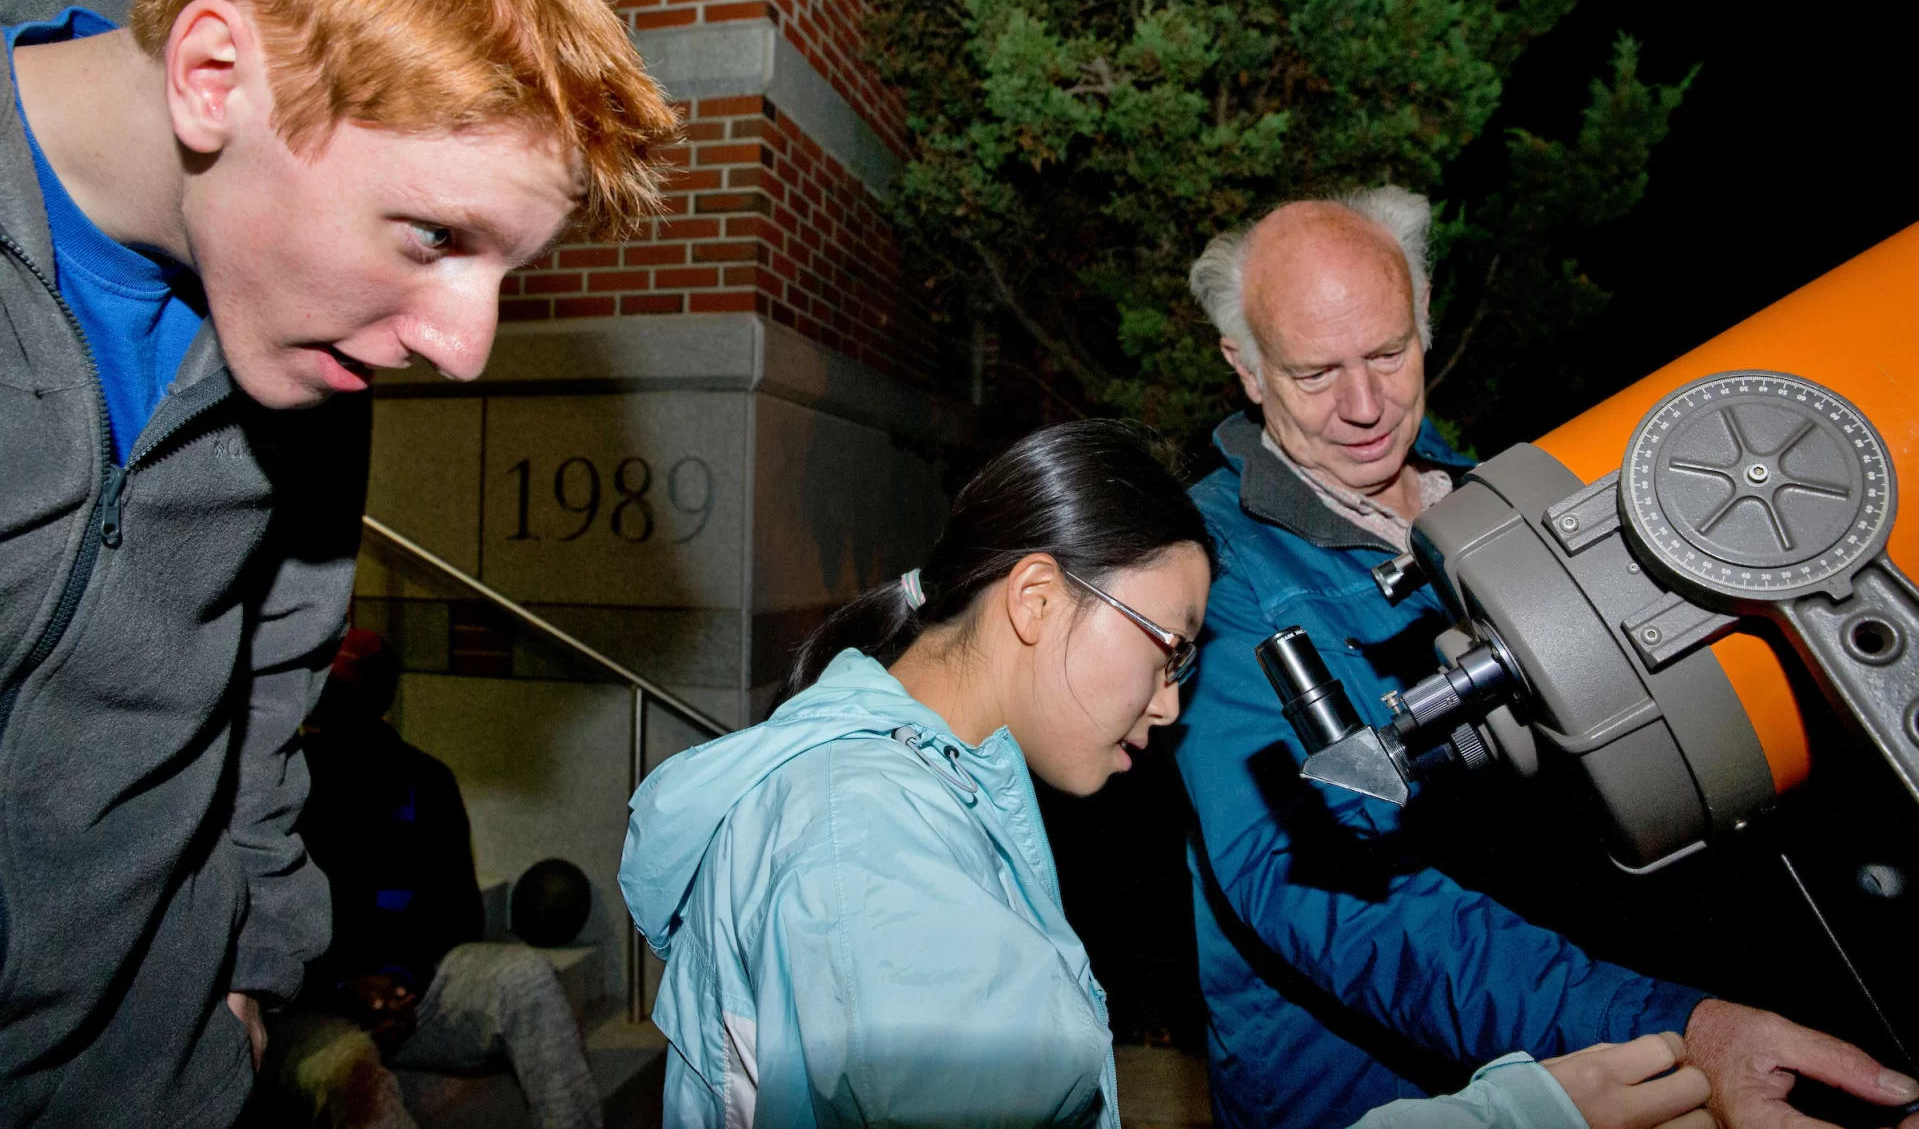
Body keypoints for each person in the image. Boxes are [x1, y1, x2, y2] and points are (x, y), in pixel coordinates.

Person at [0, 0, 676, 1121]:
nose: (461, 348)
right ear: (214, 76)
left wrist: (248, 978)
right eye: (433, 235)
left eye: (501, 269)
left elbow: (268, 688)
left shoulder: (304, 349)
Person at [618, 420, 1712, 1129]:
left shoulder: (886, 787)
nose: (1171, 701)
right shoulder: (881, 861)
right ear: (1036, 599)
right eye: (1167, 648)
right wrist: (1510, 1118)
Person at [1177, 188, 1919, 1129]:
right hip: (1375, 1092)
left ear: (1426, 323)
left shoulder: (1489, 500)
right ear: (1244, 368)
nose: (1363, 406)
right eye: (1314, 372)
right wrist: (1666, 1025)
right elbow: (1335, 898)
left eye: (1388, 353)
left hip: (1575, 1042)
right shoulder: (1214, 571)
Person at [258, 630, 602, 1129]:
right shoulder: (277, 790)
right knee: (355, 1077)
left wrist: (398, 982)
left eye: (361, 689)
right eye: (335, 690)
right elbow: (261, 934)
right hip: (309, 1008)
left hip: (413, 996)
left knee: (525, 979)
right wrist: (343, 986)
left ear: (384, 694)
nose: (344, 704)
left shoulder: (424, 779)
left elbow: (458, 912)